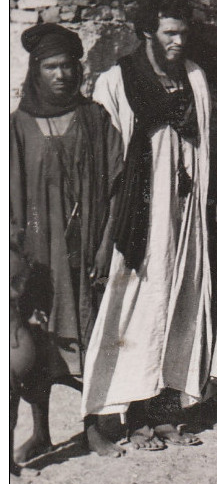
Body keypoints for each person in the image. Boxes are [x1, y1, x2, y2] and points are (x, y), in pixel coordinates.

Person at [81, 0, 217, 452]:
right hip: (139, 218)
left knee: (181, 305)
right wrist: (105, 233)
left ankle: (164, 415)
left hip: (188, 213)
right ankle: (127, 417)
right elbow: (108, 164)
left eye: (183, 33)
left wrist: (216, 209)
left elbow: (206, 152)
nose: (178, 42)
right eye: (169, 33)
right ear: (146, 34)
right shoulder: (116, 82)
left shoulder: (195, 76)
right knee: (136, 309)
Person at [10, 23, 124, 461]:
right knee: (38, 344)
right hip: (37, 258)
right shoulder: (17, 127)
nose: (61, 75)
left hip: (84, 254)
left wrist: (104, 245)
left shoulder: (94, 118)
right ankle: (41, 432)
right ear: (36, 72)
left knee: (89, 337)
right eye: (51, 67)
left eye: (67, 66)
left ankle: (93, 428)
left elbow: (117, 185)